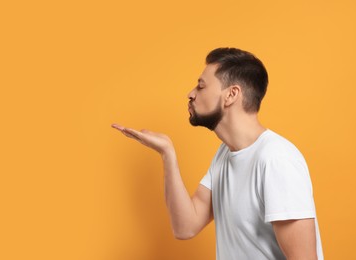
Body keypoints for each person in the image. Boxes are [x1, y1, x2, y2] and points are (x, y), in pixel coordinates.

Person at [112, 47, 324, 260]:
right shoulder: (225, 154)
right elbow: (185, 226)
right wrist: (167, 153)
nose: (191, 94)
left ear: (231, 94)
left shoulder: (276, 160)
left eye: (201, 86)